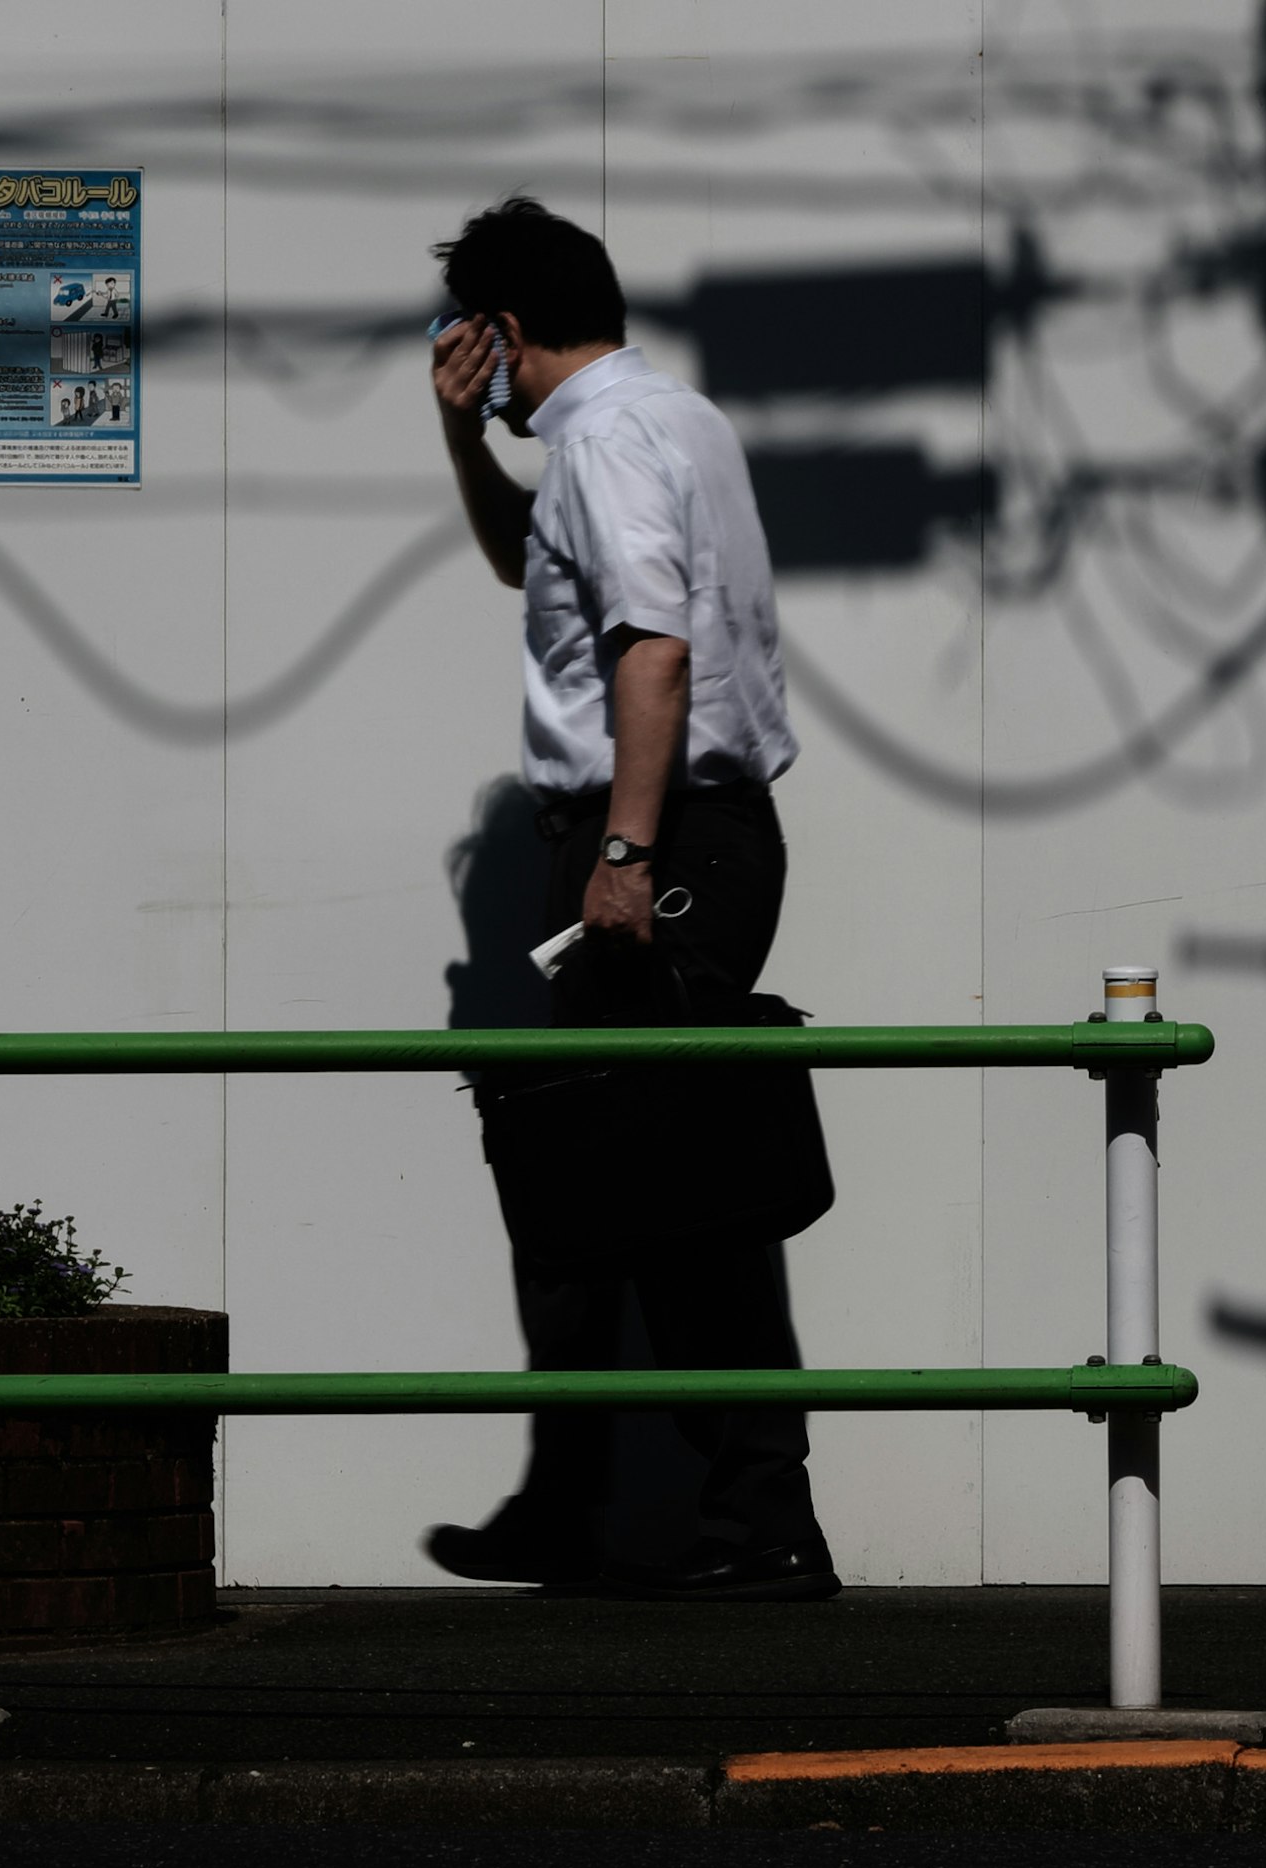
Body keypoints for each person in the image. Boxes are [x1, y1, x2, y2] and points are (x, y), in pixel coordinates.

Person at [417, 196, 837, 1602]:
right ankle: (588, 1500)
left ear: (505, 330)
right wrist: (463, 434)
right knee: (606, 1178)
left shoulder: (602, 440)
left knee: (675, 1186)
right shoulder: (672, 420)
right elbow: (519, 563)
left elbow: (650, 650)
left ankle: (760, 1520)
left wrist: (621, 853)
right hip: (693, 834)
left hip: (658, 840)